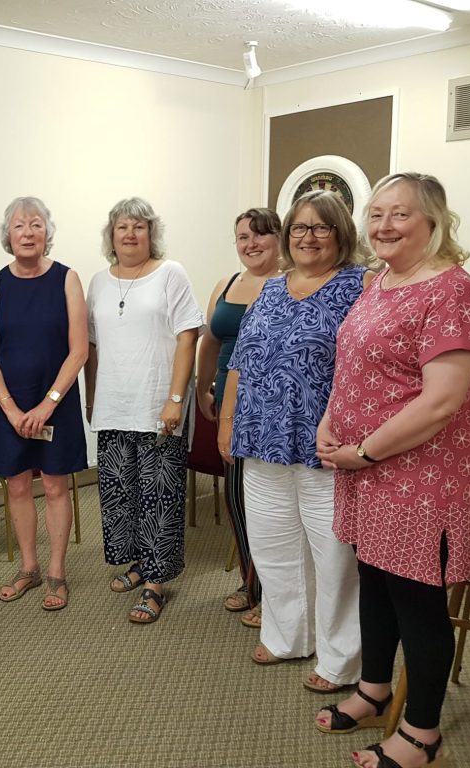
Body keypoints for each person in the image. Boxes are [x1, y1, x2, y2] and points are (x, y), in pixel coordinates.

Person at [315, 172, 470, 768]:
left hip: (425, 473)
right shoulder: (380, 281)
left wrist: (364, 451)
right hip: (368, 467)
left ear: (433, 222)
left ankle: (421, 733)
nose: (384, 225)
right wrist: (331, 421)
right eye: (376, 213)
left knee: (416, 599)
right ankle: (374, 689)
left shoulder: (453, 291)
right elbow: (354, 365)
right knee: (376, 582)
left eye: (400, 214)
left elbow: (441, 402)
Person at [217, 190, 371, 693]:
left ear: (342, 233)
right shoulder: (271, 289)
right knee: (273, 546)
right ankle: (287, 636)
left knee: (334, 557)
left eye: (321, 227)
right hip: (261, 438)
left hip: (326, 444)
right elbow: (241, 359)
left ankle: (340, 660)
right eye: (300, 227)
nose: (309, 237)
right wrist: (227, 420)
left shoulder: (361, 285)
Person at [84, 197, 202, 624]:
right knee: (122, 493)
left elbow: (188, 336)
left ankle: (156, 583)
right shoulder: (98, 281)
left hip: (157, 406)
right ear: (111, 235)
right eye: (122, 227)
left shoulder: (171, 273)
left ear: (152, 233)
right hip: (114, 405)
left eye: (139, 226)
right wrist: (91, 397)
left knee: (159, 497)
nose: (130, 233)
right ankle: (138, 563)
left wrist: (176, 399)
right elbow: (92, 346)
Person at [0, 196, 88, 611]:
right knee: (19, 485)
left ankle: (57, 573)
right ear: (8, 235)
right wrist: (9, 408)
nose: (28, 233)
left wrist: (48, 404)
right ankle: (29, 568)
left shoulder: (67, 279)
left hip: (56, 400)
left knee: (56, 485)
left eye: (36, 224)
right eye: (20, 226)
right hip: (12, 404)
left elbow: (78, 351)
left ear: (47, 233)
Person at [195, 208, 282, 629]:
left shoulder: (288, 285)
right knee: (236, 498)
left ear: (279, 238)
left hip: (269, 408)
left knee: (269, 505)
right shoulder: (226, 284)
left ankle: (273, 592)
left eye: (260, 235)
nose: (251, 243)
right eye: (243, 237)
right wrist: (201, 388)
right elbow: (211, 342)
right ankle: (251, 581)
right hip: (227, 404)